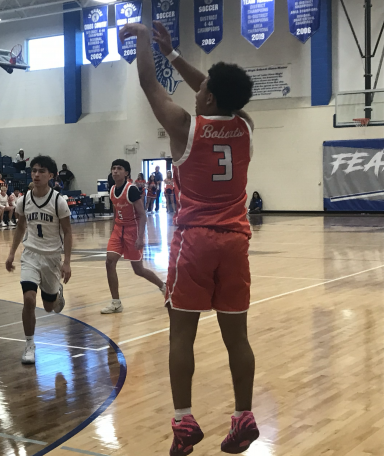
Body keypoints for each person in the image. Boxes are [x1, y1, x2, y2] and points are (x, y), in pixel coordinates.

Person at [120, 20, 257, 454]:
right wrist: (174, 54)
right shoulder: (246, 125)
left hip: (195, 241)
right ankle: (243, 416)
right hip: (235, 241)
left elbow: (146, 82)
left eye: (204, 90)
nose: (196, 91)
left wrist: (146, 41)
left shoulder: (185, 125)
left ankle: (183, 422)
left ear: (211, 96)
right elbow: (219, 93)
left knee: (181, 336)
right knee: (238, 339)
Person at [5, 156, 72, 365]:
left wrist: (67, 262)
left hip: (52, 257)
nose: (36, 174)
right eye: (33, 170)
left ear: (51, 175)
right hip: (31, 255)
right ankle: (29, 344)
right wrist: (11, 253)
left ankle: (57, 294)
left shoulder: (58, 201)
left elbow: (68, 232)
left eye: (41, 171)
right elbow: (20, 227)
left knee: (50, 307)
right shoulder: (23, 200)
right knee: (29, 300)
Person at [101, 159, 166, 315]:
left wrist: (140, 237)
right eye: (113, 168)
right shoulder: (111, 190)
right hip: (118, 230)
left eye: (119, 168)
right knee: (109, 262)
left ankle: (164, 287)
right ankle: (116, 303)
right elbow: (116, 212)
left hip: (133, 230)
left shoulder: (132, 190)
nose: (115, 171)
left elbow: (143, 215)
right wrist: (112, 231)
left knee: (138, 270)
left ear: (126, 173)